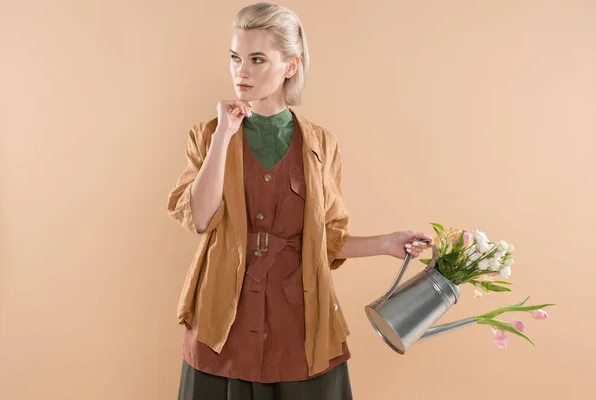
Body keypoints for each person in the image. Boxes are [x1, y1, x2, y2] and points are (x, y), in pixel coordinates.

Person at [167, 3, 433, 399]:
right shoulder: (207, 136)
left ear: (290, 66)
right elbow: (201, 218)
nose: (242, 71)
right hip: (223, 320)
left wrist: (384, 244)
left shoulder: (321, 144)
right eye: (236, 58)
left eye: (258, 59)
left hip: (301, 319)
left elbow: (325, 237)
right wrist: (224, 133)